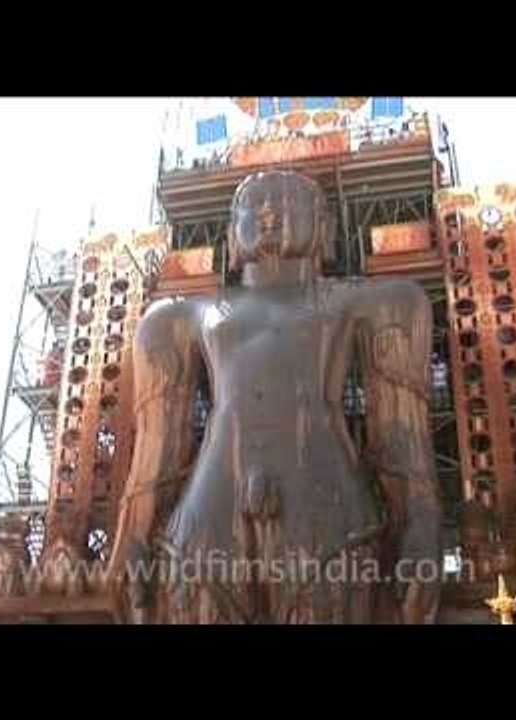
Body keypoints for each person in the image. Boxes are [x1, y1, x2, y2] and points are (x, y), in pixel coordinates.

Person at [108, 171, 441, 624]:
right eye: (254, 206)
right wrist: (134, 536)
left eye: (289, 202)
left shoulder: (379, 303)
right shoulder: (179, 318)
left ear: (324, 228)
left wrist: (423, 522)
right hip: (207, 523)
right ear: (231, 232)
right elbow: (155, 455)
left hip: (330, 520)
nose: (269, 213)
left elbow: (400, 437)